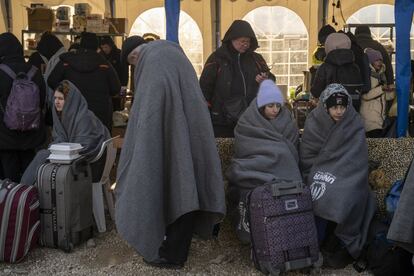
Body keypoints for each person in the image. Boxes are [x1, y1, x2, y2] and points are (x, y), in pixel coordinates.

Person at [115, 38, 226, 269]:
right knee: (186, 182)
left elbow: (148, 117)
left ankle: (172, 254)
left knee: (172, 183)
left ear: (137, 53)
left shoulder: (153, 62)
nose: (135, 64)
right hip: (191, 132)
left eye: (132, 59)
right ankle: (178, 248)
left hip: (168, 136)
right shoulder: (174, 53)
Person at [300, 83, 376, 269]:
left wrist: (342, 174)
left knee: (349, 194)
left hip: (348, 175)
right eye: (335, 107)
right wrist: (322, 170)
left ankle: (338, 243)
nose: (339, 111)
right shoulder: (314, 121)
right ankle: (314, 245)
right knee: (321, 195)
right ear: (326, 107)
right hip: (317, 171)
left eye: (343, 107)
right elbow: (307, 156)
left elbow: (357, 158)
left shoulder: (354, 123)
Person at [226, 79, 300, 243]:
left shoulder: (288, 122)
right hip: (253, 169)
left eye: (278, 106)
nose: (275, 110)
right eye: (270, 106)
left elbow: (292, 151)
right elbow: (245, 150)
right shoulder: (247, 123)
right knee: (245, 191)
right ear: (261, 106)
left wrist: (279, 154)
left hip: (284, 171)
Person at [21, 80, 110, 186]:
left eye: (61, 99)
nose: (56, 102)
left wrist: (62, 152)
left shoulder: (85, 117)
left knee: (43, 156)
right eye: (55, 98)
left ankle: (24, 190)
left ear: (70, 100)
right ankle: (26, 191)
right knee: (43, 156)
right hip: (73, 161)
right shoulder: (61, 116)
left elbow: (86, 146)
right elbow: (59, 140)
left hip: (90, 166)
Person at [199, 19, 275, 137]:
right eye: (242, 41)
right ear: (232, 39)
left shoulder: (256, 59)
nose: (245, 45)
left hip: (251, 117)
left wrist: (266, 79)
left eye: (248, 42)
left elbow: (271, 79)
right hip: (222, 120)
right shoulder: (217, 59)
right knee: (224, 151)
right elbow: (204, 87)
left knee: (247, 150)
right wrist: (205, 114)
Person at [47, 32, 121, 131]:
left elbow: (51, 81)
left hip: (71, 111)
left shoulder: (66, 61)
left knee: (72, 142)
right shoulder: (104, 63)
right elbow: (115, 88)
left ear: (81, 45)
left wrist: (66, 92)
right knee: (97, 143)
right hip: (99, 115)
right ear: (97, 47)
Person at [0, 32, 46, 182]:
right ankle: (29, 203)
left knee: (8, 179)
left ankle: (11, 204)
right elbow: (42, 100)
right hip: (31, 135)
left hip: (5, 136)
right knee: (29, 176)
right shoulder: (35, 72)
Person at [311, 33, 363, 111]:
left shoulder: (325, 67)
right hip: (352, 108)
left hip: (332, 109)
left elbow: (316, 90)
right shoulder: (355, 67)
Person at [360, 48, 394, 138]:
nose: (379, 62)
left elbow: (386, 98)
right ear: (370, 62)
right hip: (369, 118)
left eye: (380, 60)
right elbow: (365, 96)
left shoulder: (381, 76)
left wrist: (391, 91)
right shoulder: (367, 76)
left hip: (379, 118)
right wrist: (382, 88)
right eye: (376, 60)